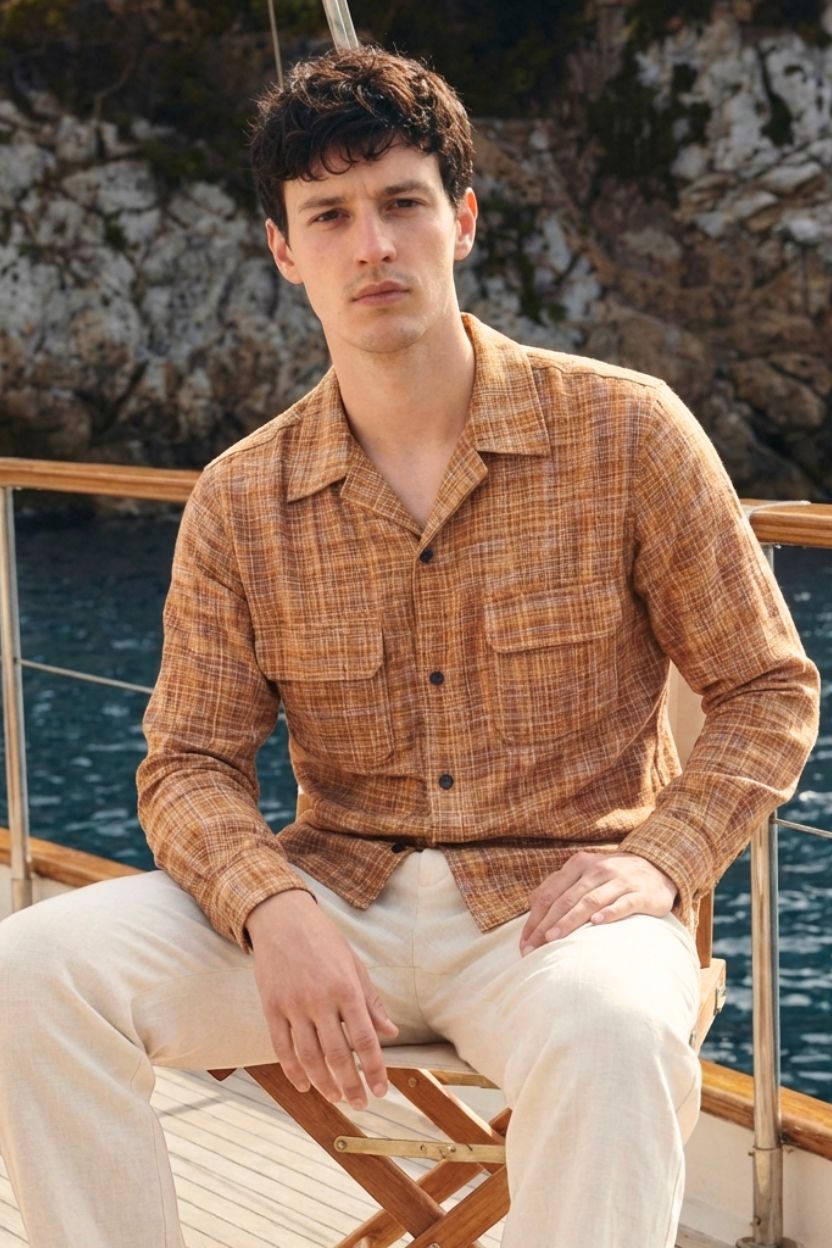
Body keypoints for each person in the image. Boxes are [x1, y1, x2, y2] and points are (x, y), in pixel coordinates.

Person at [0, 45, 820, 1248]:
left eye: (401, 203)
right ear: (284, 251)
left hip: (561, 916)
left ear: (462, 220)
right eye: (329, 216)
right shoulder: (242, 497)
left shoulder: (627, 432)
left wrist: (662, 861)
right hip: (333, 904)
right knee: (29, 972)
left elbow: (765, 687)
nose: (372, 245)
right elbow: (187, 764)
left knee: (615, 1031)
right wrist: (271, 908)